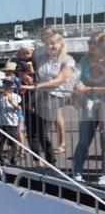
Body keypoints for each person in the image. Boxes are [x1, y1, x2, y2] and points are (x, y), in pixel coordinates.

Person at [24, 32, 75, 167]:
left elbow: (58, 81)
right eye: (48, 43)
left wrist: (37, 85)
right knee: (31, 131)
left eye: (53, 43)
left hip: (53, 97)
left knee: (42, 131)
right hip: (36, 96)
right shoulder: (41, 58)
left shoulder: (67, 61)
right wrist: (27, 77)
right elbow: (35, 74)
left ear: (61, 44)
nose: (50, 46)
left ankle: (51, 161)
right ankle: (38, 162)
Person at [72, 31, 105, 184]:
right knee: (84, 139)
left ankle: (103, 175)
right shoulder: (85, 60)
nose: (90, 45)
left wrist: (87, 89)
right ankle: (77, 171)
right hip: (90, 104)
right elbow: (83, 81)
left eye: (93, 42)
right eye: (89, 42)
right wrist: (78, 87)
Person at [0, 79, 22, 166]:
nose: (5, 88)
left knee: (13, 142)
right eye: (5, 86)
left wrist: (12, 103)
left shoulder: (16, 97)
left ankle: (13, 157)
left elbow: (19, 108)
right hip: (0, 123)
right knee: (0, 142)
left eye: (8, 86)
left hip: (12, 123)